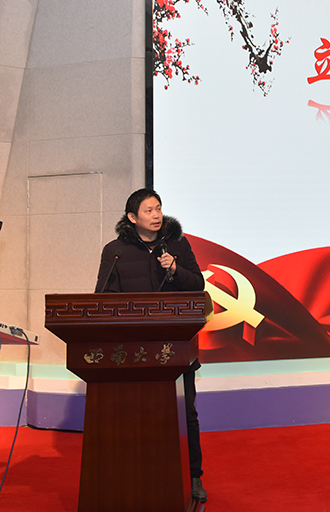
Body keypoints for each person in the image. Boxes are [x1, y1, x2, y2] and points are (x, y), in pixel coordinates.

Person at [94, 188, 208, 503]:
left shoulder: (178, 244)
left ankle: (193, 476)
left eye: (158, 208)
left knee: (186, 414)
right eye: (149, 210)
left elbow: (197, 285)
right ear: (132, 217)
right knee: (134, 417)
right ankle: (134, 476)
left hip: (177, 346)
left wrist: (175, 270)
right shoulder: (115, 251)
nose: (156, 215)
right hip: (132, 350)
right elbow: (104, 297)